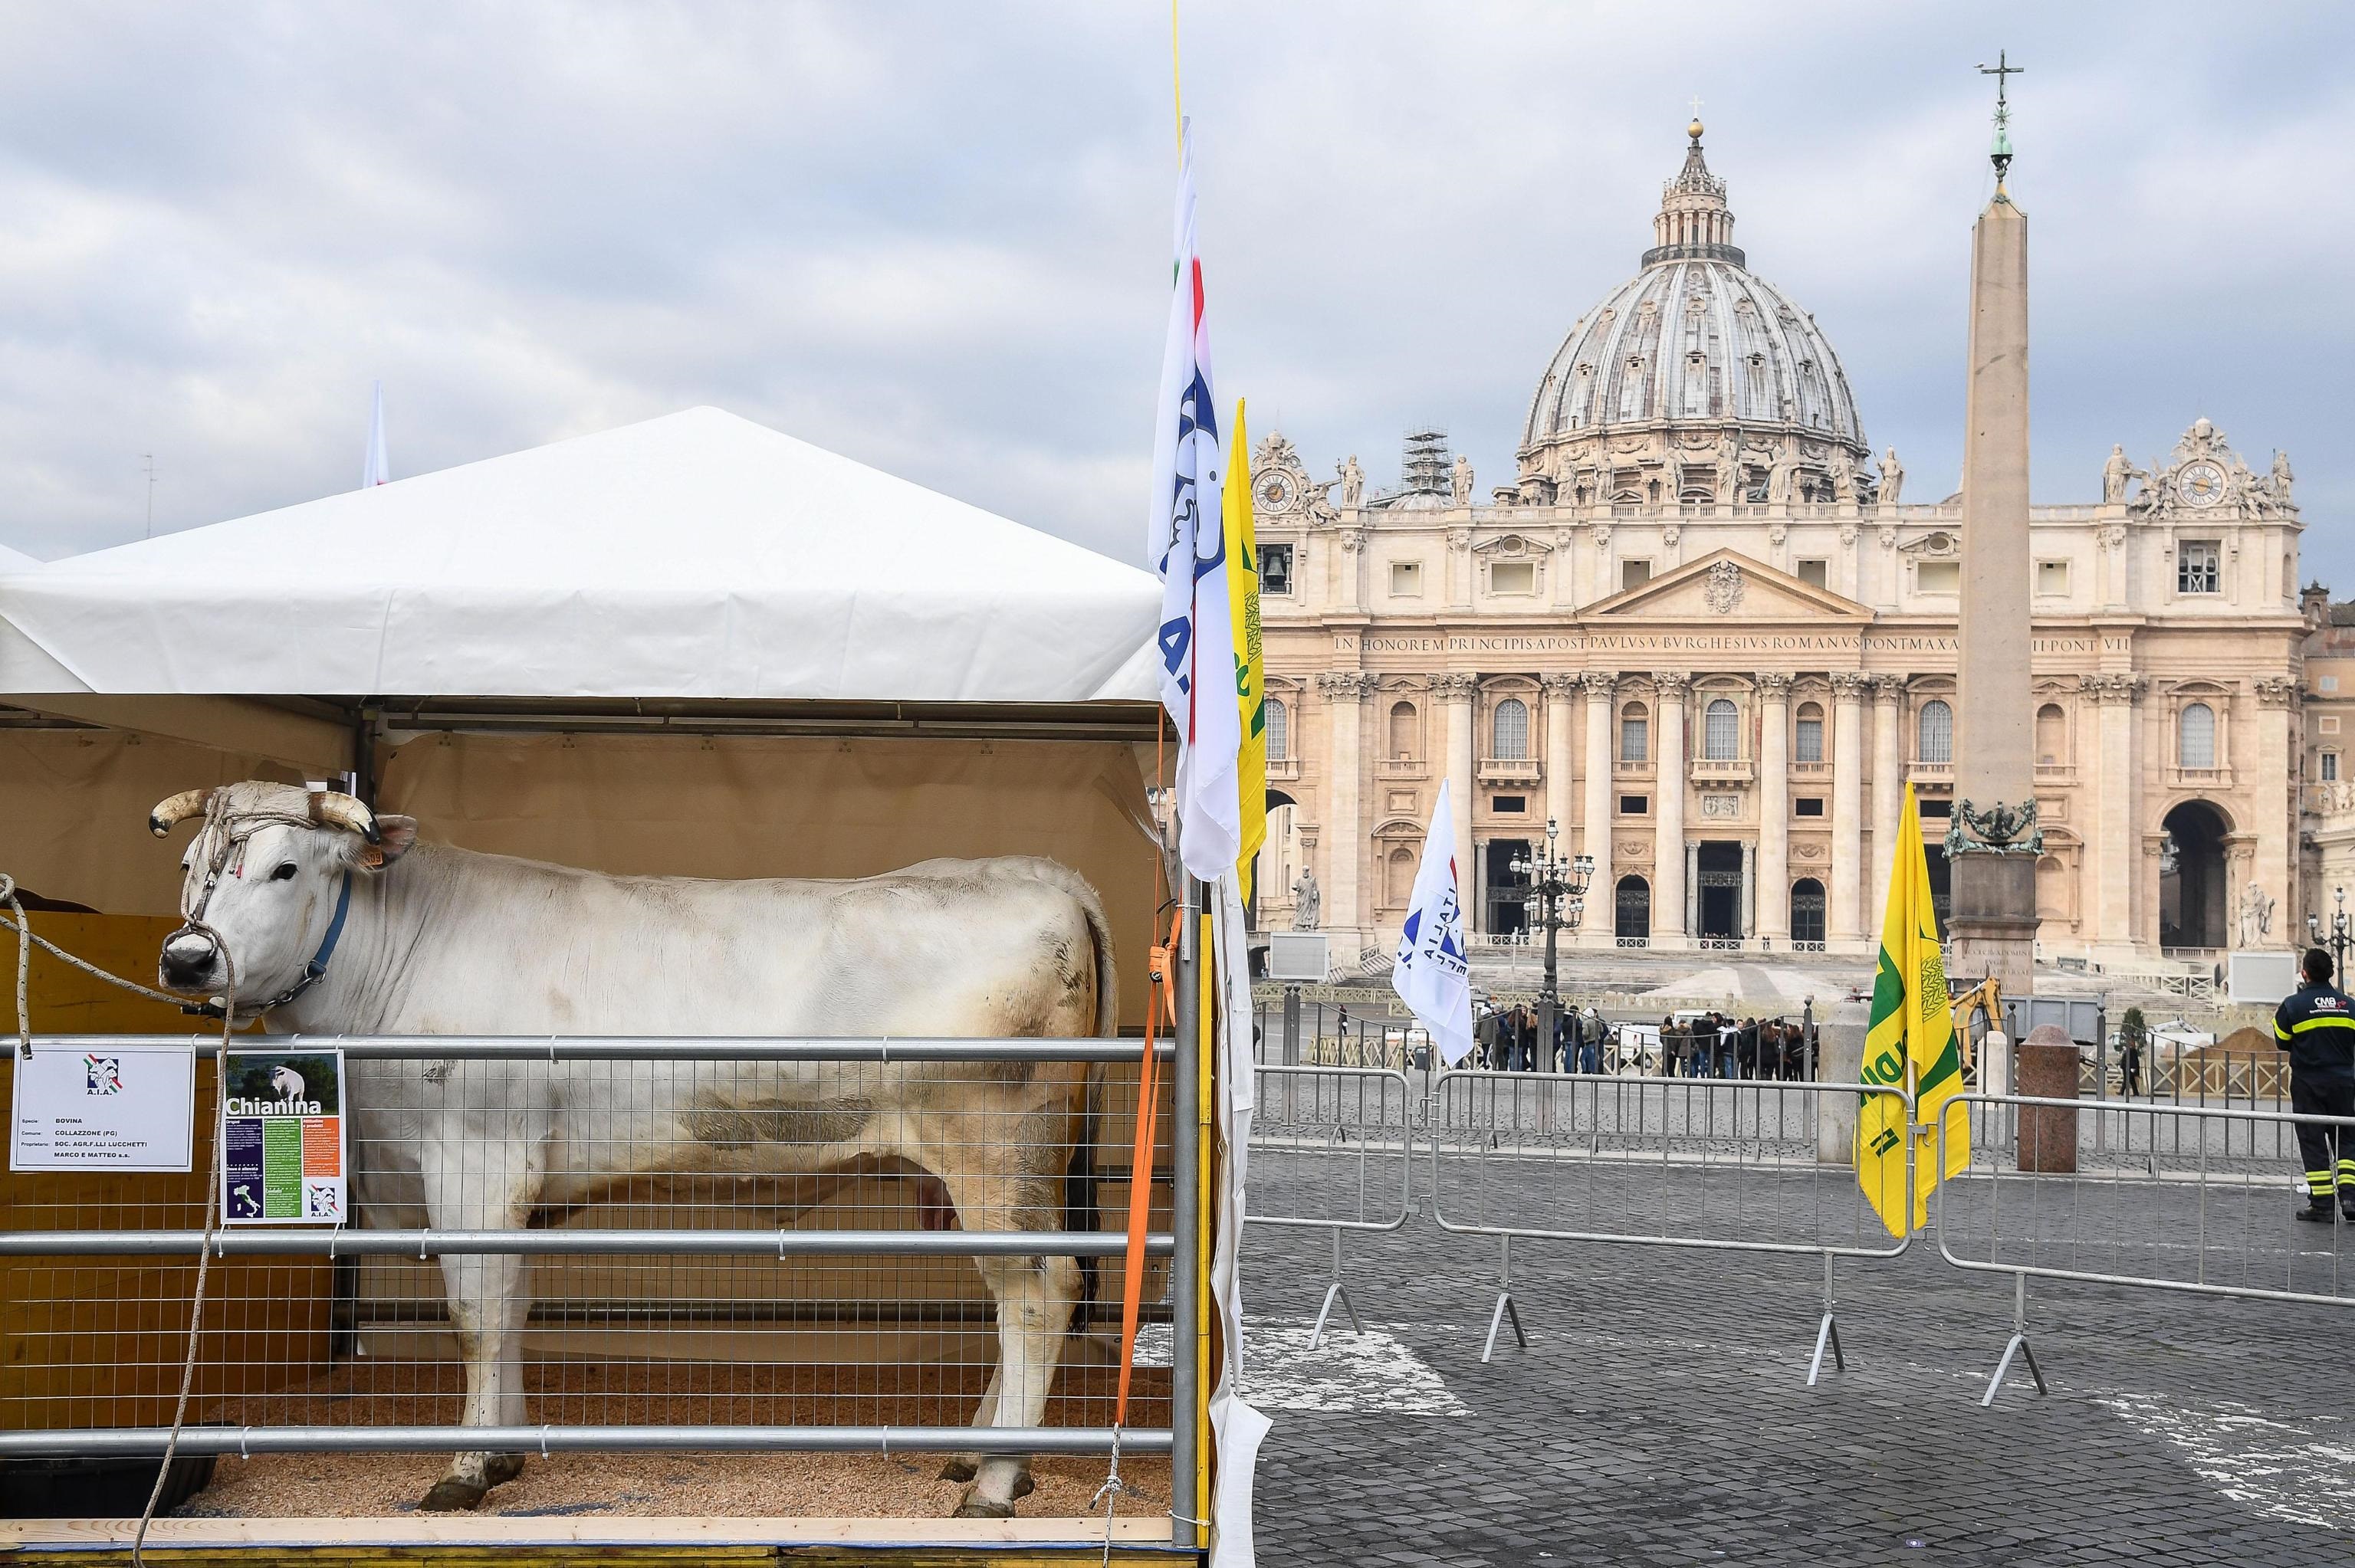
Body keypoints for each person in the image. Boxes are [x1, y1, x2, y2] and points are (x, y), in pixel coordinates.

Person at [2274, 947, 2355, 1222]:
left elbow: (2282, 1041)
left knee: (2313, 1141)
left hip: (2308, 1083)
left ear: (2304, 973)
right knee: (2347, 1140)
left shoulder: (2292, 1005)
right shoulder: (2349, 1005)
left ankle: (2321, 1204)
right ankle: (2350, 1198)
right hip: (2345, 1083)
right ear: (2332, 973)